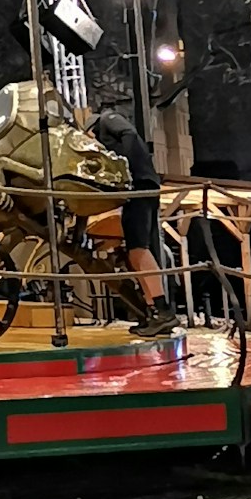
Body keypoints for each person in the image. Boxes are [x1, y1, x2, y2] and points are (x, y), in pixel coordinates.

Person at [93, 105, 173, 340]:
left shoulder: (108, 120)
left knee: (138, 249)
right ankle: (154, 311)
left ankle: (162, 310)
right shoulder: (106, 127)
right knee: (135, 251)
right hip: (139, 189)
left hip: (139, 187)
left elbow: (129, 134)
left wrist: (123, 167)